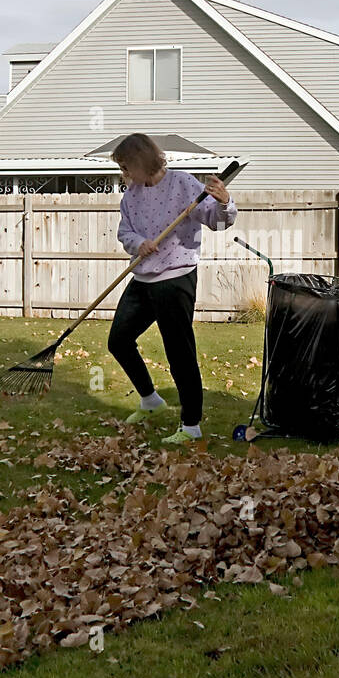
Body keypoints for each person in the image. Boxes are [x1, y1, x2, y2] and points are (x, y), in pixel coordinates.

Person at [107, 133, 236, 444]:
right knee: (119, 340)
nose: (124, 174)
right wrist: (140, 243)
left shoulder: (183, 184)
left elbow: (218, 223)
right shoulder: (132, 196)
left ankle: (191, 426)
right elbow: (125, 231)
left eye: (126, 167)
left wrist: (225, 203)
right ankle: (151, 400)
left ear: (142, 161)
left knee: (179, 352)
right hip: (143, 278)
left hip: (176, 278)